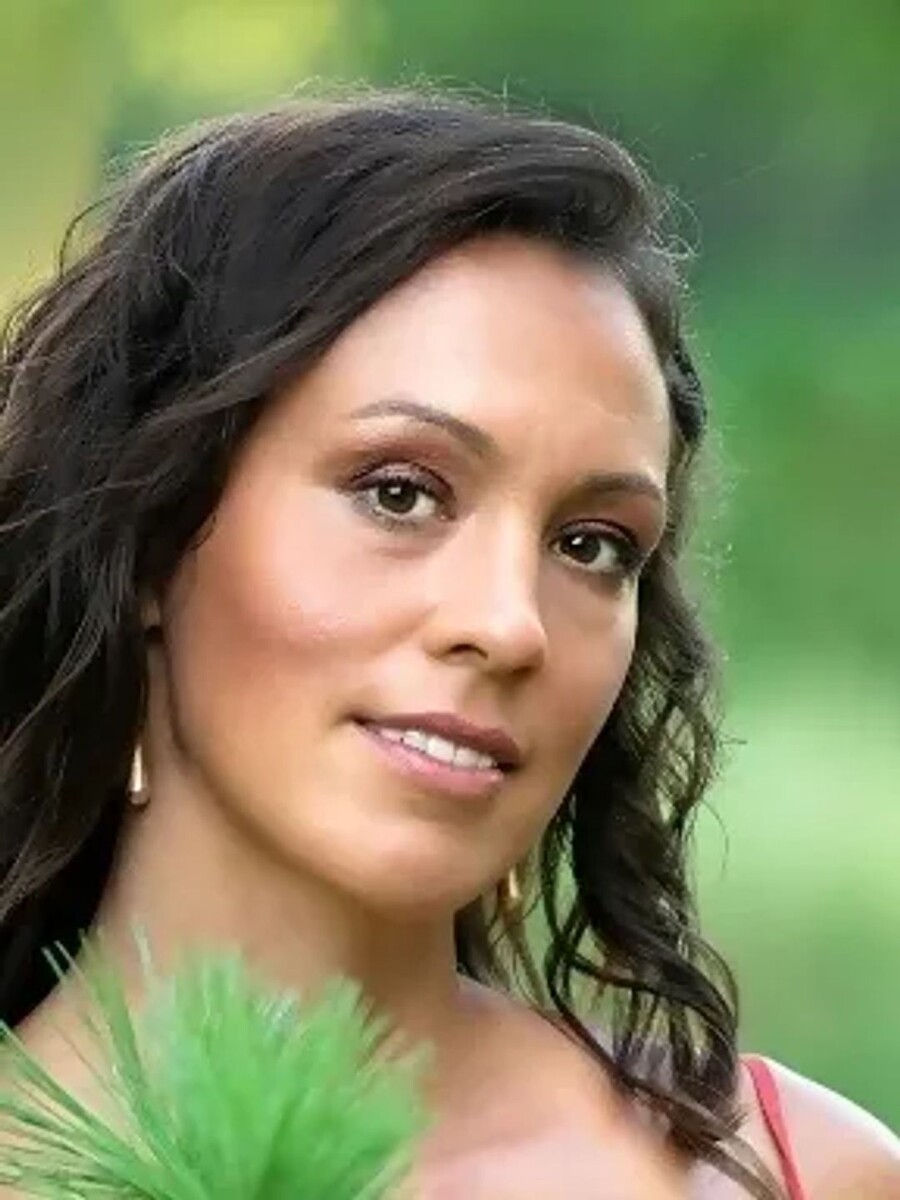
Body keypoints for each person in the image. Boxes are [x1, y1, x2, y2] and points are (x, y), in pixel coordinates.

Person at [0, 89, 897, 1199]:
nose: (509, 622)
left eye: (591, 545)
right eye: (400, 492)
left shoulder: (802, 1175)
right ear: (149, 535)